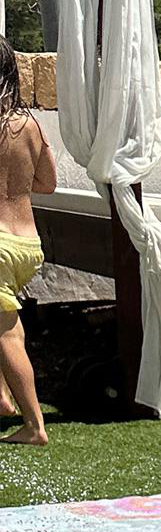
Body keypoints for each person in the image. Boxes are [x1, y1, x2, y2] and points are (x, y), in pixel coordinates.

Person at [0, 37, 55, 448]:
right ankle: (3, 398)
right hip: (27, 244)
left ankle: (35, 426)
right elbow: (48, 183)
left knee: (8, 334)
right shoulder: (30, 125)